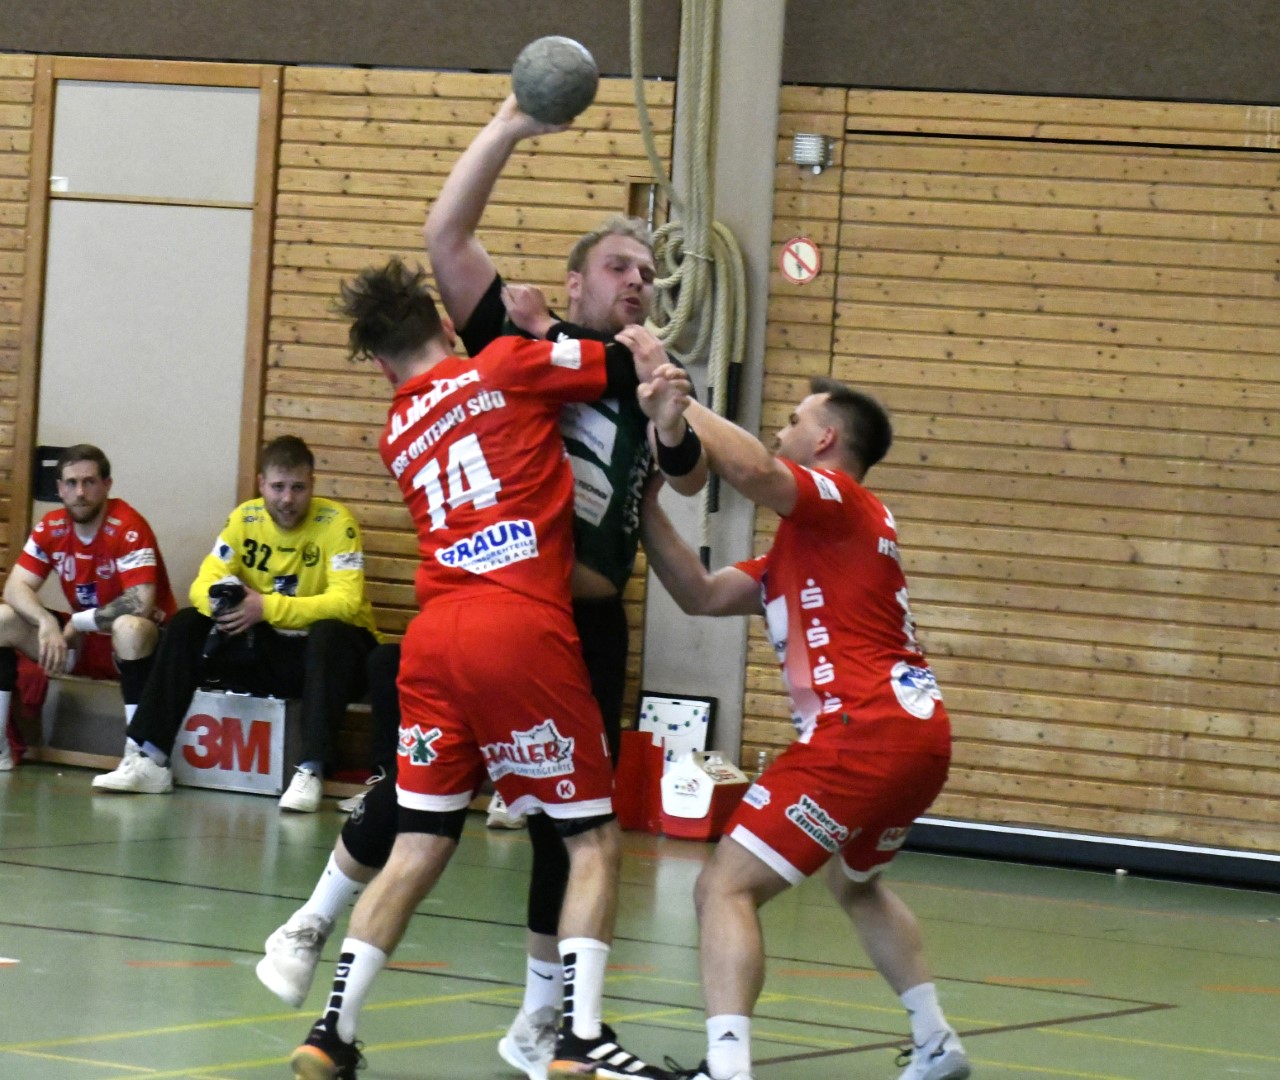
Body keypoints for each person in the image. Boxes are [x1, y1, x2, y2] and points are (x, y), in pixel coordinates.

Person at [259, 91, 706, 1080]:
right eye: (622, 267)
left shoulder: (398, 424)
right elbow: (571, 351)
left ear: (382, 360)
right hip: (523, 623)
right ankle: (580, 1037)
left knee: (426, 836)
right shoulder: (510, 358)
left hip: (441, 627)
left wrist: (661, 418)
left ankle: (333, 1029)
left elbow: (675, 463)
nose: (638, 282)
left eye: (646, 273)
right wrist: (510, 129)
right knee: (592, 838)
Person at [635, 371, 970, 1080]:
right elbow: (700, 595)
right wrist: (643, 507)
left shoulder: (840, 500)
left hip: (859, 733)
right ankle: (935, 1039)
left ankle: (727, 1069)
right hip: (916, 739)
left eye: (793, 420)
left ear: (826, 440)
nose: (780, 431)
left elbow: (754, 469)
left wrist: (679, 400)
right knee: (856, 885)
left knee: (723, 887)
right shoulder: (813, 543)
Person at [90, 436, 380, 813]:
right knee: (188, 624)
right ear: (261, 484)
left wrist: (265, 607)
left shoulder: (337, 523)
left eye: (298, 488)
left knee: (330, 632)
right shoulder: (245, 519)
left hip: (334, 661)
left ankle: (311, 770)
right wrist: (223, 601)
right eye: (278, 487)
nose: (287, 499)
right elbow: (202, 584)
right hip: (272, 652)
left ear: (312, 484)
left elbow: (346, 602)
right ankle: (151, 758)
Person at [0, 444, 176, 771]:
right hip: (81, 643)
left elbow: (140, 602)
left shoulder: (128, 525)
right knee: (2, 619)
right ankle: (1, 750)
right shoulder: (51, 526)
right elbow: (14, 587)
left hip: (139, 648)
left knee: (129, 627)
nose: (80, 492)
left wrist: (79, 622)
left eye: (89, 482)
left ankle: (139, 759)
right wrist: (46, 622)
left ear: (107, 485)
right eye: (71, 483)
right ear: (59, 488)